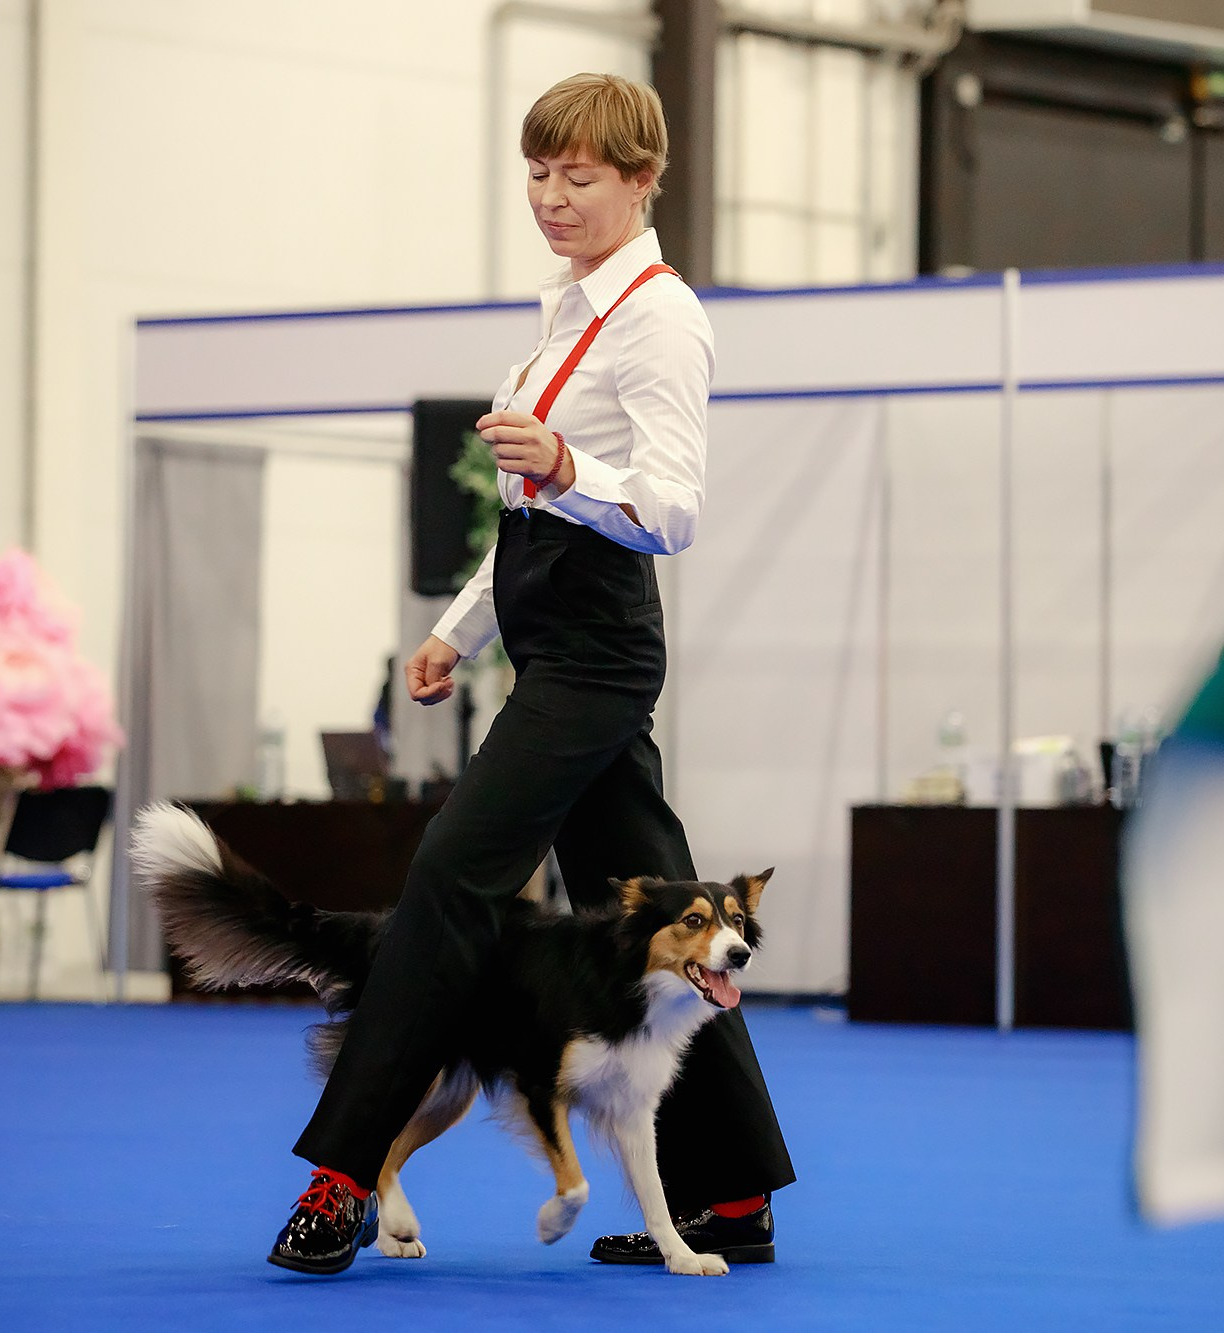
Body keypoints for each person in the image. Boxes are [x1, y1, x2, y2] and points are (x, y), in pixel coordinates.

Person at [270, 72, 795, 1275]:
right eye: (538, 173)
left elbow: (669, 511)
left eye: (579, 176)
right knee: (659, 909)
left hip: (597, 648)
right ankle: (732, 1197)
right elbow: (526, 522)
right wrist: (459, 628)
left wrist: (563, 463)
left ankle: (340, 1176)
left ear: (641, 181)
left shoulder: (660, 318)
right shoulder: (565, 311)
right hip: (551, 633)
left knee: (450, 878)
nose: (551, 197)